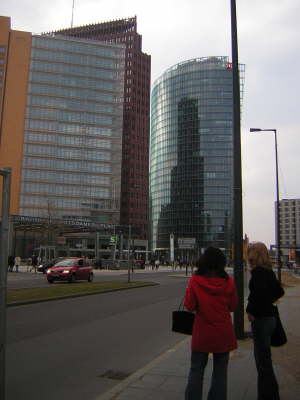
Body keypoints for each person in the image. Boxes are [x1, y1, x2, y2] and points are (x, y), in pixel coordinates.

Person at [184, 246, 238, 400]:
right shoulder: (229, 282)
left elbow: (189, 306)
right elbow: (233, 307)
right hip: (223, 333)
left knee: (196, 370)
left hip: (202, 333)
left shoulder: (195, 280)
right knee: (220, 374)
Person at [246, 242, 285, 400]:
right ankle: (270, 394)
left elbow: (259, 295)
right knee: (265, 360)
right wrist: (269, 302)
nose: (248, 255)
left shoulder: (258, 273)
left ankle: (268, 396)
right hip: (271, 318)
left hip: (261, 320)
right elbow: (279, 291)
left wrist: (251, 311)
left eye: (250, 252)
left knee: (262, 362)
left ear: (255, 254)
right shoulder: (269, 272)